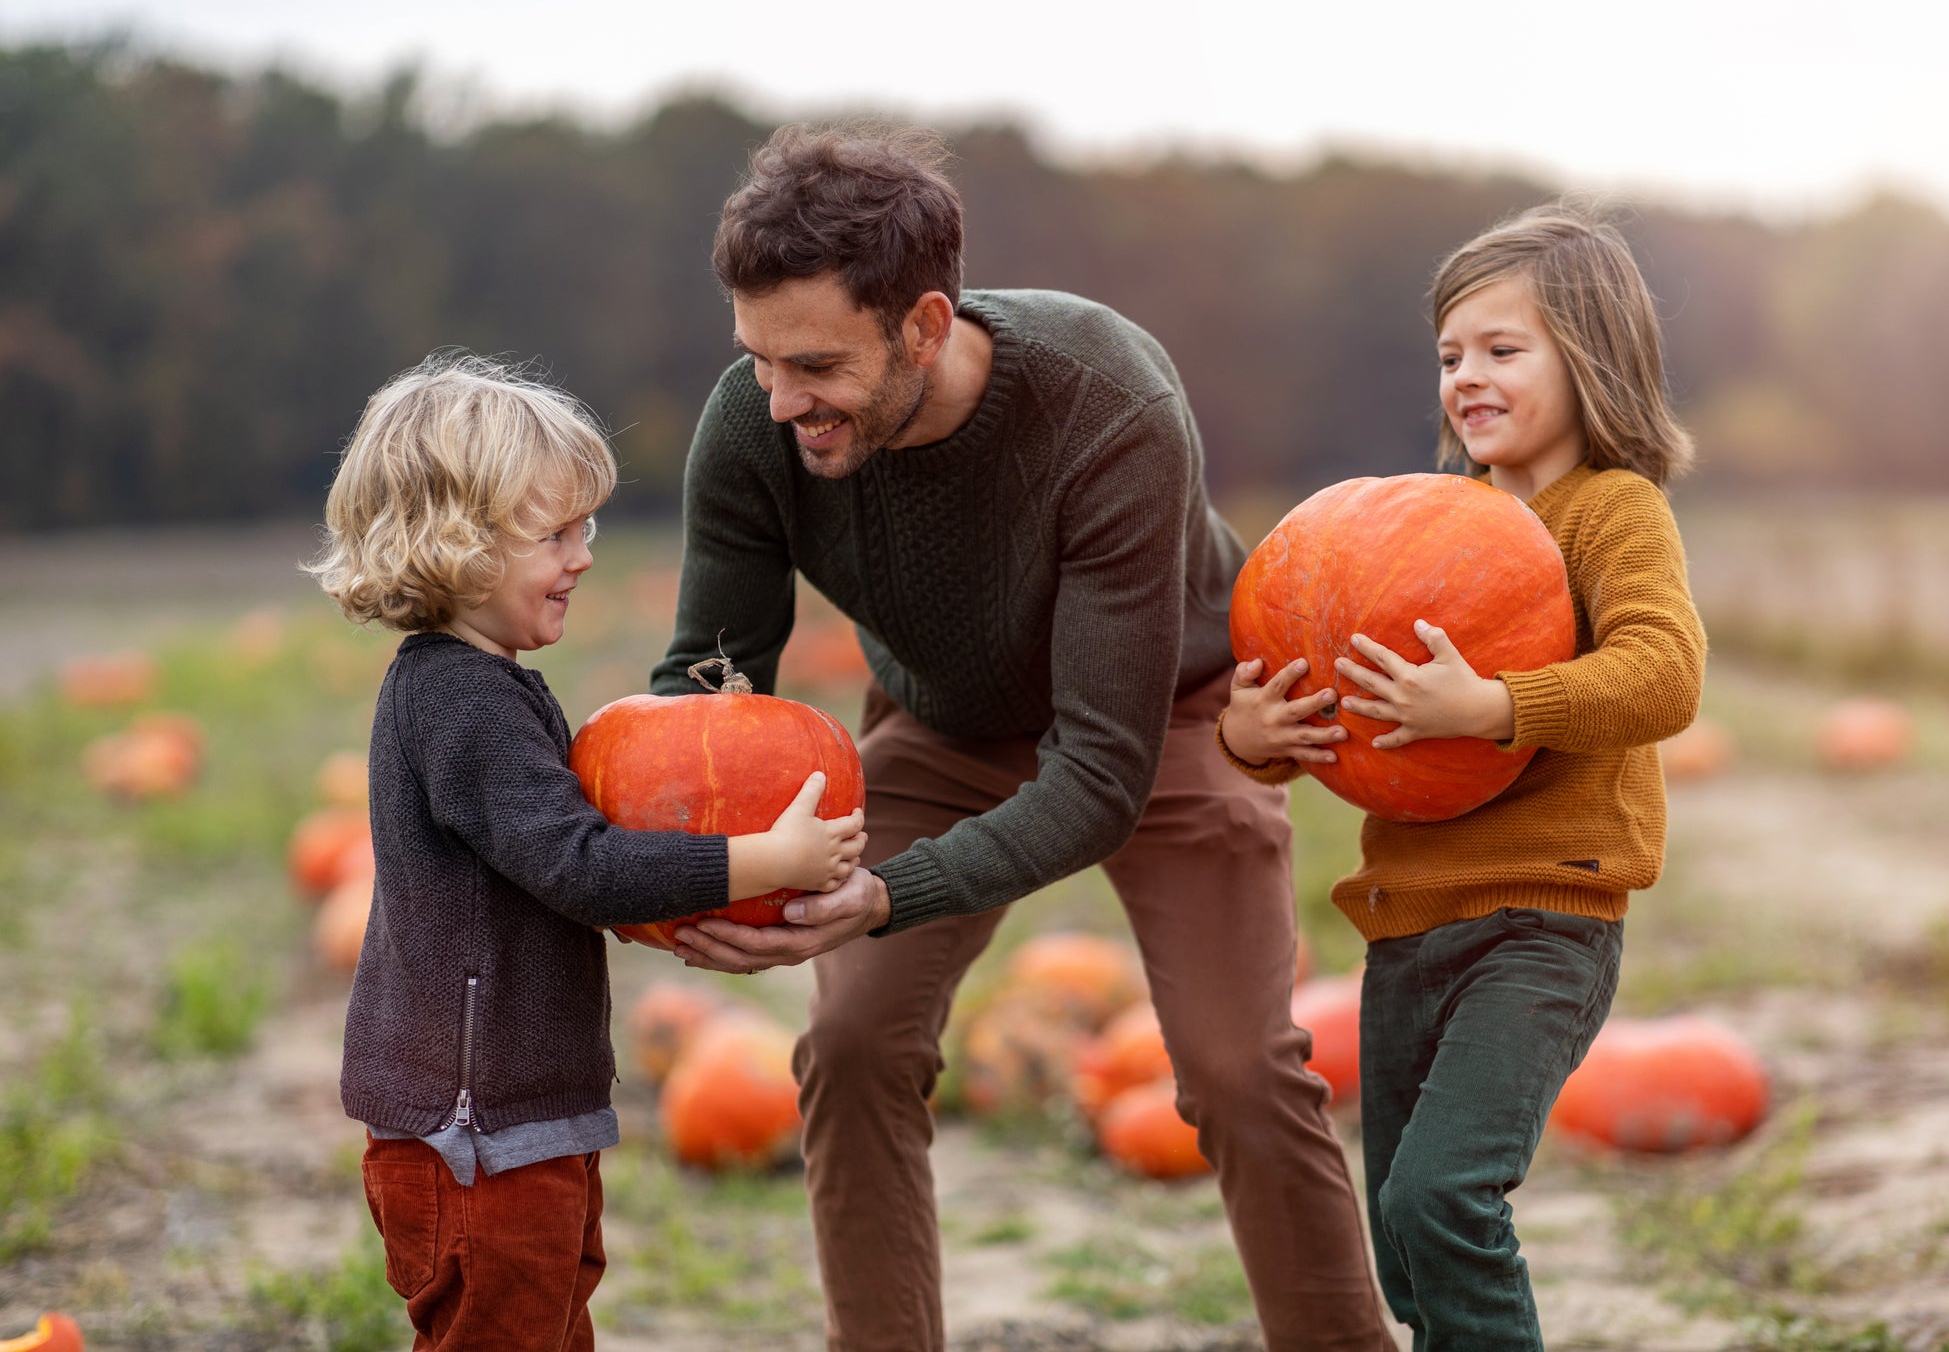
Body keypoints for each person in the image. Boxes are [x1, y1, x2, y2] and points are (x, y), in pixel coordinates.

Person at [649, 124, 1394, 1352]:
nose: (781, 403)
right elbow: (708, 683)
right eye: (758, 359)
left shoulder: (1106, 405)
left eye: (816, 365)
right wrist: (690, 866)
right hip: (941, 726)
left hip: (1167, 718)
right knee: (847, 1042)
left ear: (925, 326)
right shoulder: (755, 422)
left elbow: (1101, 773)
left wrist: (889, 891)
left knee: (1241, 1072)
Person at [1220, 202, 1706, 1350]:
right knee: (1404, 1240)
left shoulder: (1612, 513)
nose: (1467, 377)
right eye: (1449, 356)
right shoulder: (1423, 535)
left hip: (1546, 915)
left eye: (1501, 349)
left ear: (1589, 359)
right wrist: (1252, 734)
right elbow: (1325, 711)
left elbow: (1665, 674)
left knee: (1443, 1196)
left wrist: (1496, 707)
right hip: (1411, 924)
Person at [306, 353, 864, 1352]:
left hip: (519, 1122)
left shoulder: (486, 685)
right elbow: (581, 865)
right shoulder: (463, 703)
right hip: (477, 1141)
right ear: (458, 544)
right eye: (554, 532)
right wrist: (759, 861)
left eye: (588, 526)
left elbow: (556, 873)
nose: (585, 554)